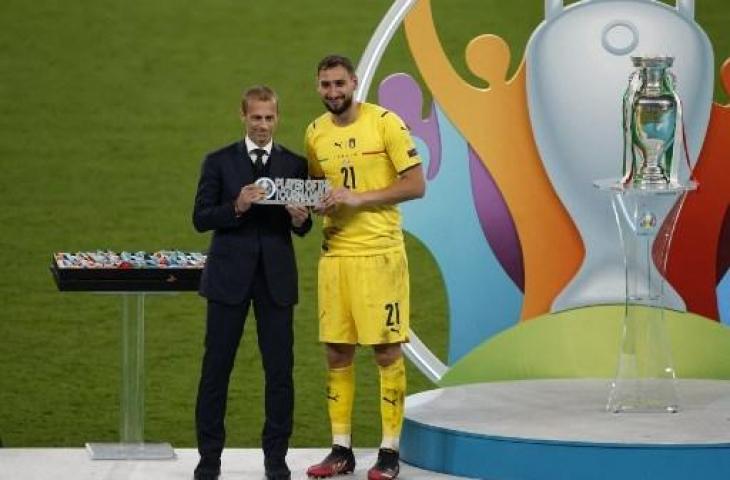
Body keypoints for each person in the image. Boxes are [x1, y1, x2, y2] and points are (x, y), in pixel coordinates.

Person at [304, 55, 425, 480]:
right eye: (325, 85)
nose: (333, 92)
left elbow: (416, 184)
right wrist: (314, 203)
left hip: (380, 254)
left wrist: (360, 197)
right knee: (336, 351)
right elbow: (320, 187)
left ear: (355, 82)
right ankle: (341, 450)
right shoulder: (315, 133)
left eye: (340, 83)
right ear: (318, 88)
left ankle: (389, 452)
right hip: (335, 256)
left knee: (386, 350)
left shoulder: (385, 123)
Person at [192, 85, 311, 480]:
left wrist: (299, 218)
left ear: (278, 118)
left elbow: (305, 225)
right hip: (228, 281)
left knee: (280, 373)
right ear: (242, 116)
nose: (262, 125)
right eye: (256, 117)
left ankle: (275, 460)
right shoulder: (218, 162)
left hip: (275, 283)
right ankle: (209, 459)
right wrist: (237, 206)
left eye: (269, 118)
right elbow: (201, 217)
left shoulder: (295, 164)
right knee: (216, 371)